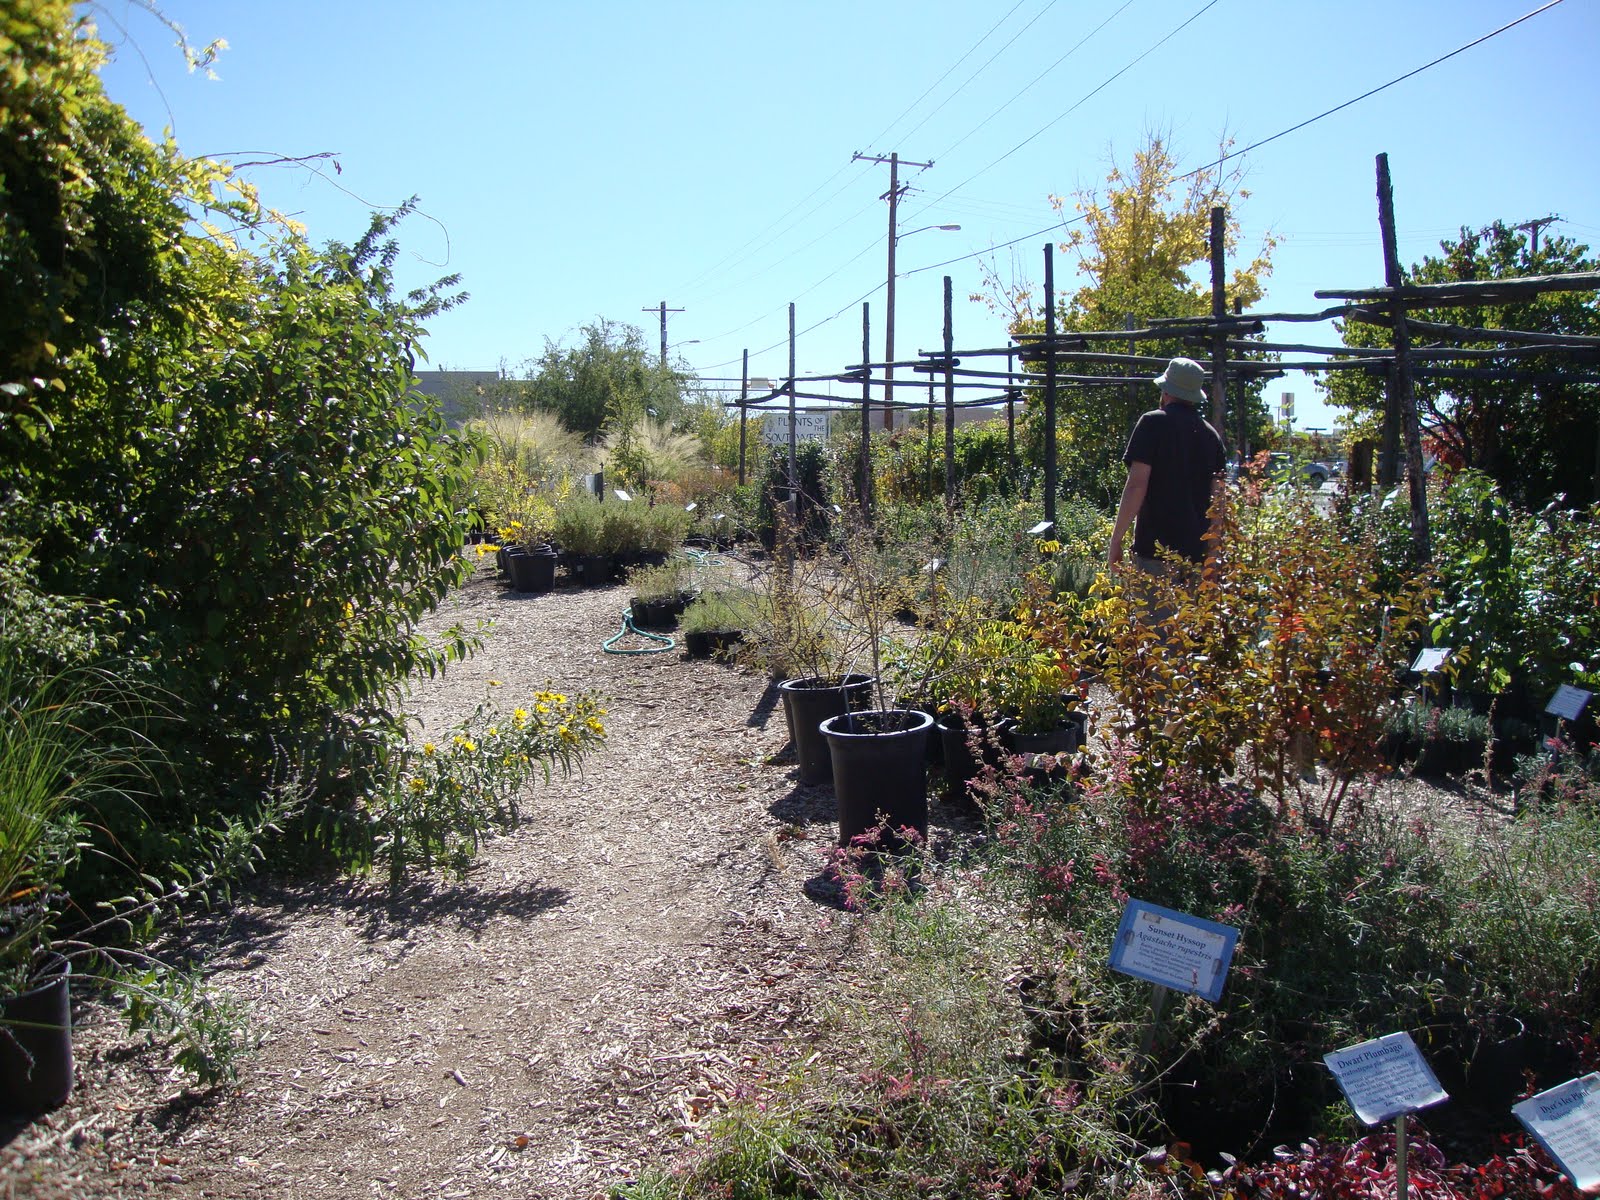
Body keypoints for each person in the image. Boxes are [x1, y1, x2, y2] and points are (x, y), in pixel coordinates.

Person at [1107, 356, 1227, 574]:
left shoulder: (1152, 423)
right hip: (1196, 558)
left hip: (1154, 554)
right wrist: (1212, 559)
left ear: (1166, 390)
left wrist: (1116, 541)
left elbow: (1136, 486)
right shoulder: (1212, 436)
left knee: (1151, 598)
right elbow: (1218, 503)